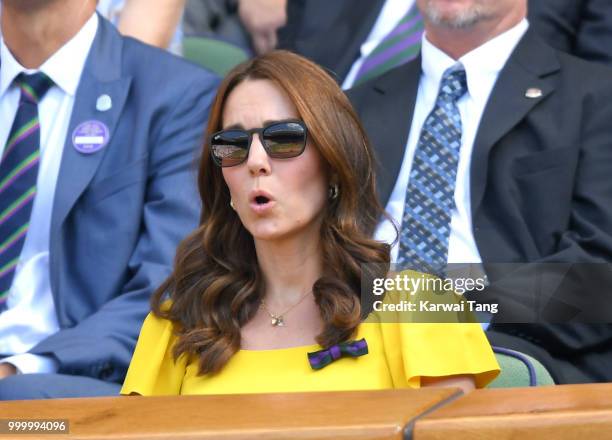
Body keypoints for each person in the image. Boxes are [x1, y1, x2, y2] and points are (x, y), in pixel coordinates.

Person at [121, 50, 499, 396]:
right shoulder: (179, 323)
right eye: (232, 144)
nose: (255, 161)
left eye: (283, 138)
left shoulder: (418, 304)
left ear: (334, 164)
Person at [347, 0, 612, 383]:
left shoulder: (597, 98)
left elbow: (599, 277)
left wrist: (447, 305)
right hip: (354, 335)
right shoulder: (354, 106)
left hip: (516, 350)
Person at [0, 0, 218, 399]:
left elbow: (167, 285)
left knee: (16, 409)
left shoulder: (176, 96)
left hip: (67, 379)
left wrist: (18, 368)